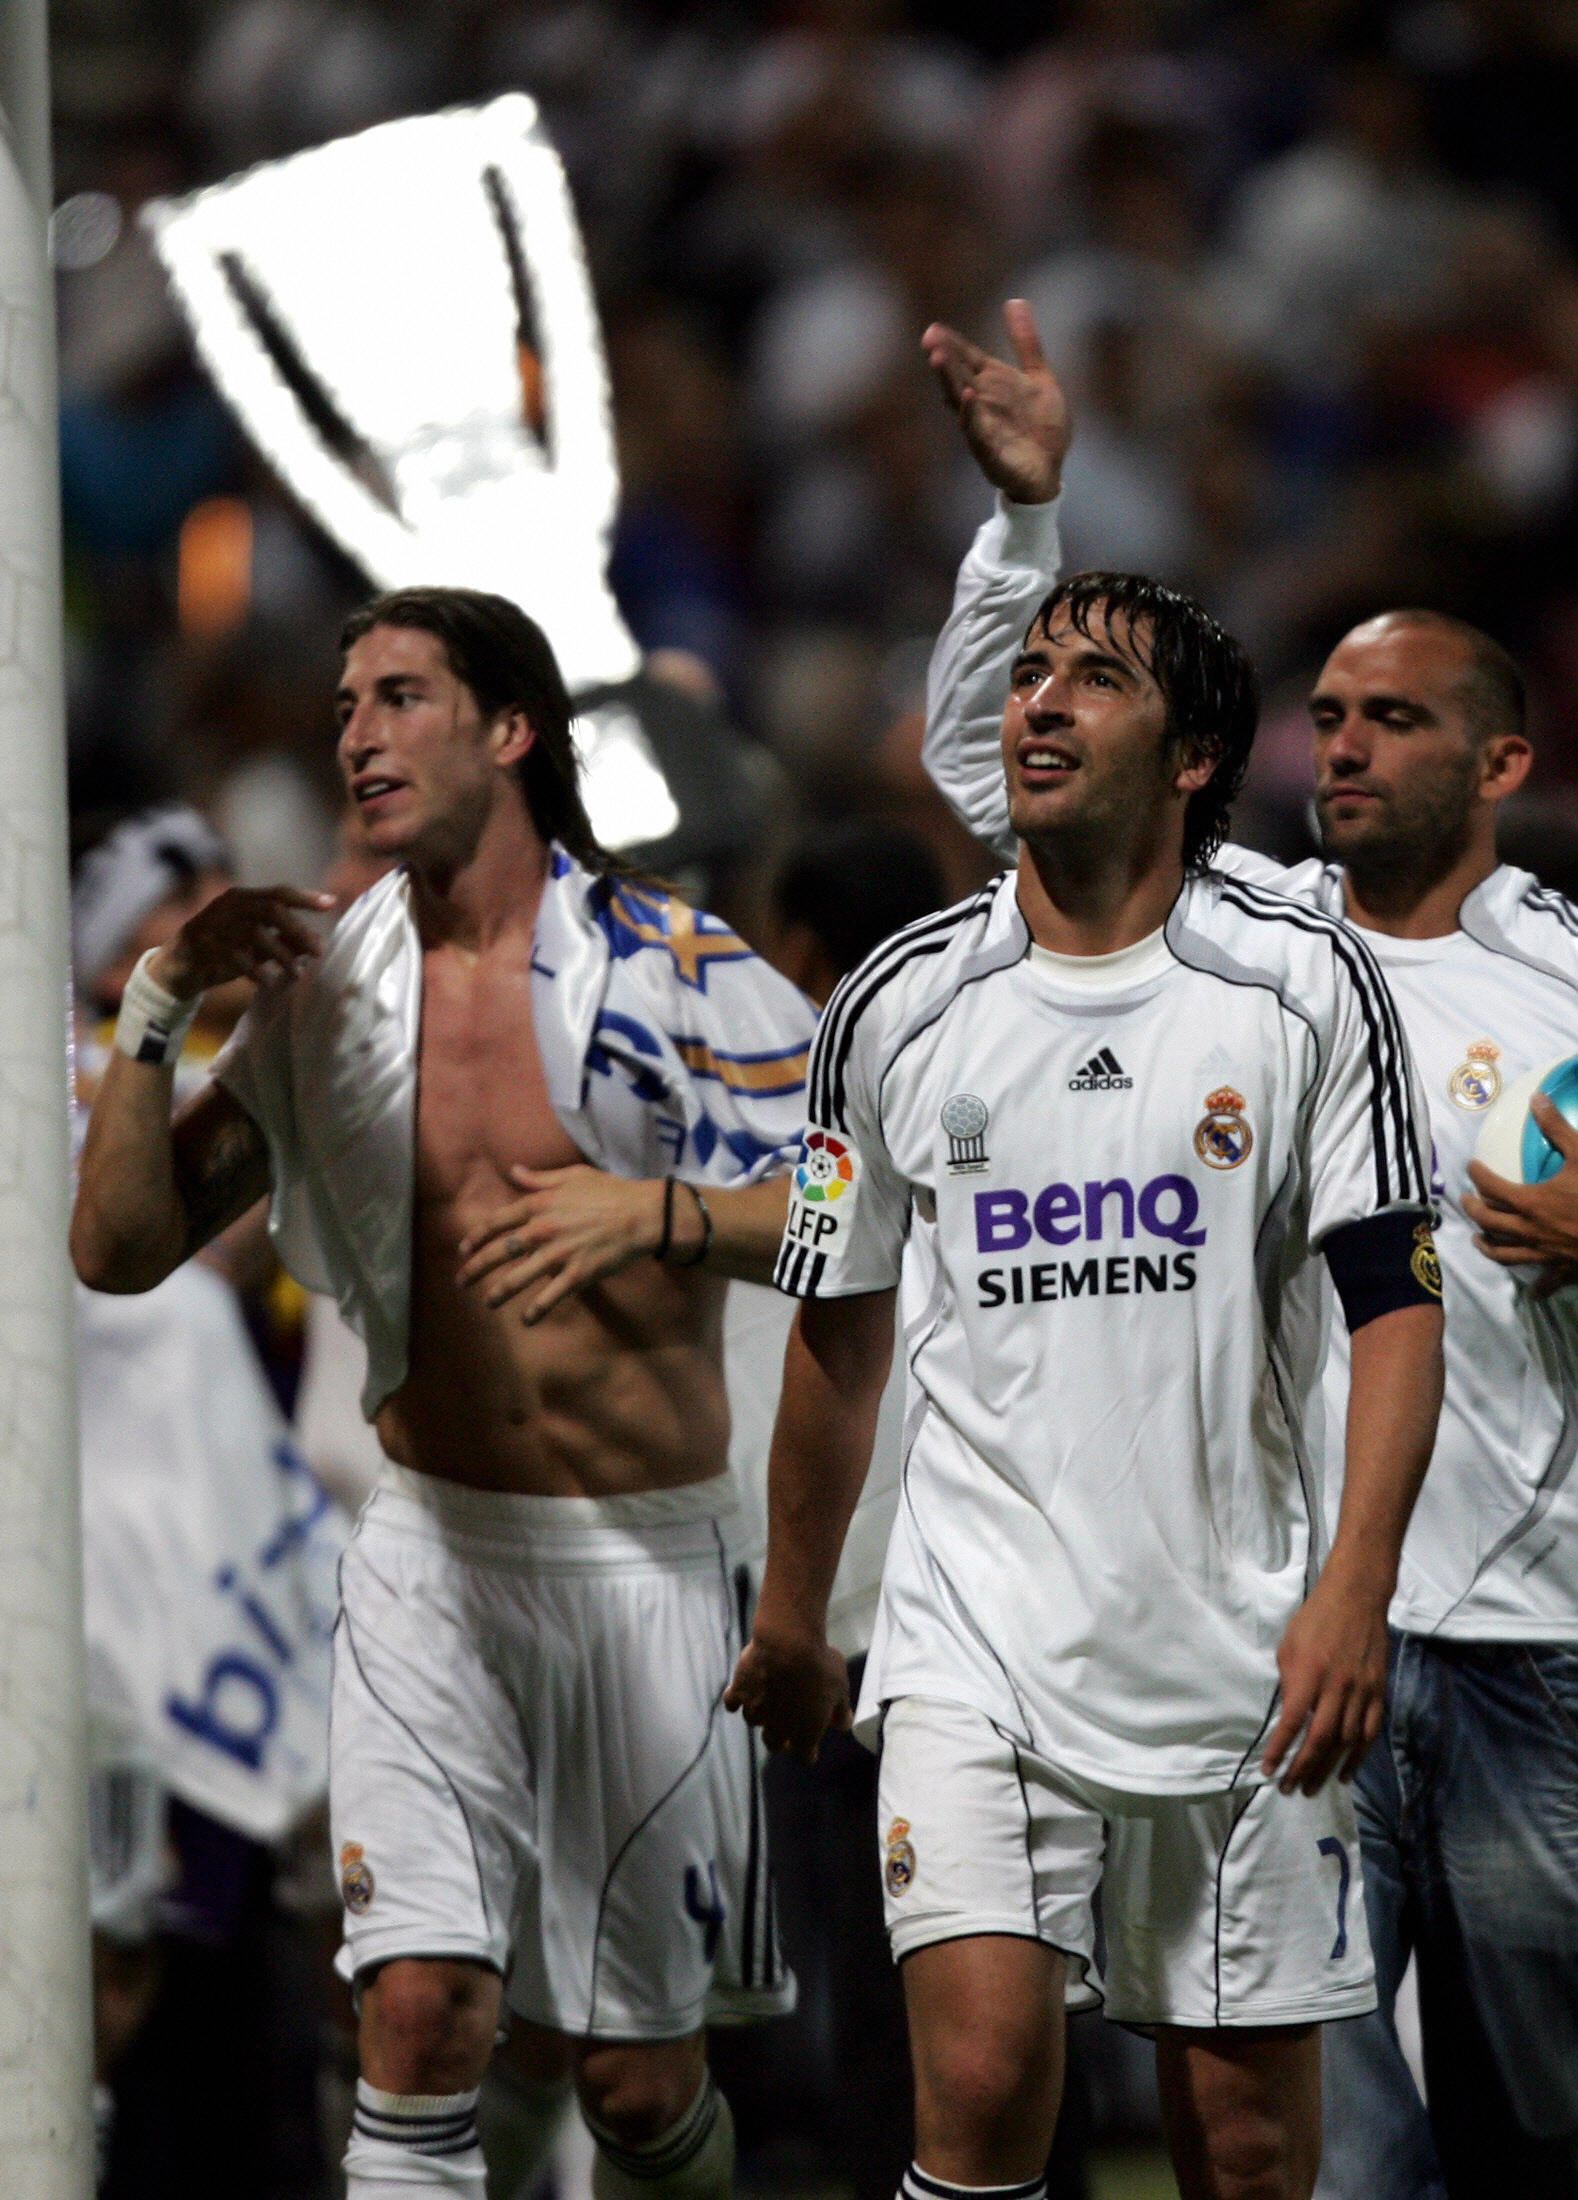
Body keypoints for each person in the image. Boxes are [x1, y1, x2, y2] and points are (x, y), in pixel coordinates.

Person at [727, 306, 1446, 2200]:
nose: (1038, 704)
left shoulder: (1299, 987)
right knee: (976, 2097)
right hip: (974, 1641)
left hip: (1241, 1648)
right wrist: (795, 1608)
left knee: (1244, 2152)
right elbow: (834, 1326)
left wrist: (1353, 1592)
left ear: (1195, 755)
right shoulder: (893, 1003)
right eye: (1026, 675)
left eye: (1092, 681)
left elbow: (1395, 1310)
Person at [917, 307, 1578, 2195]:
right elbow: (991, 775)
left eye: (1394, 720)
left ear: (1503, 759)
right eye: (1332, 716)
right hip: (1295, 1626)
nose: (1343, 746)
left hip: (1530, 1627)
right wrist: (1023, 523)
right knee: (1329, 2154)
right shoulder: (1255, 938)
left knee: (1539, 2124)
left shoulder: (1561, 978)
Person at [71, 587, 817, 2200]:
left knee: (637, 2088)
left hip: (645, 1563)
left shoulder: (681, 967)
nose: (357, 733)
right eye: (345, 704)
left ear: (512, 730)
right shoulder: (325, 989)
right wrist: (157, 1004)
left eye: (401, 696)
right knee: (415, 2019)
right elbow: (119, 1250)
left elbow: (858, 1214)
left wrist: (658, 1213)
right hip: (429, 1555)